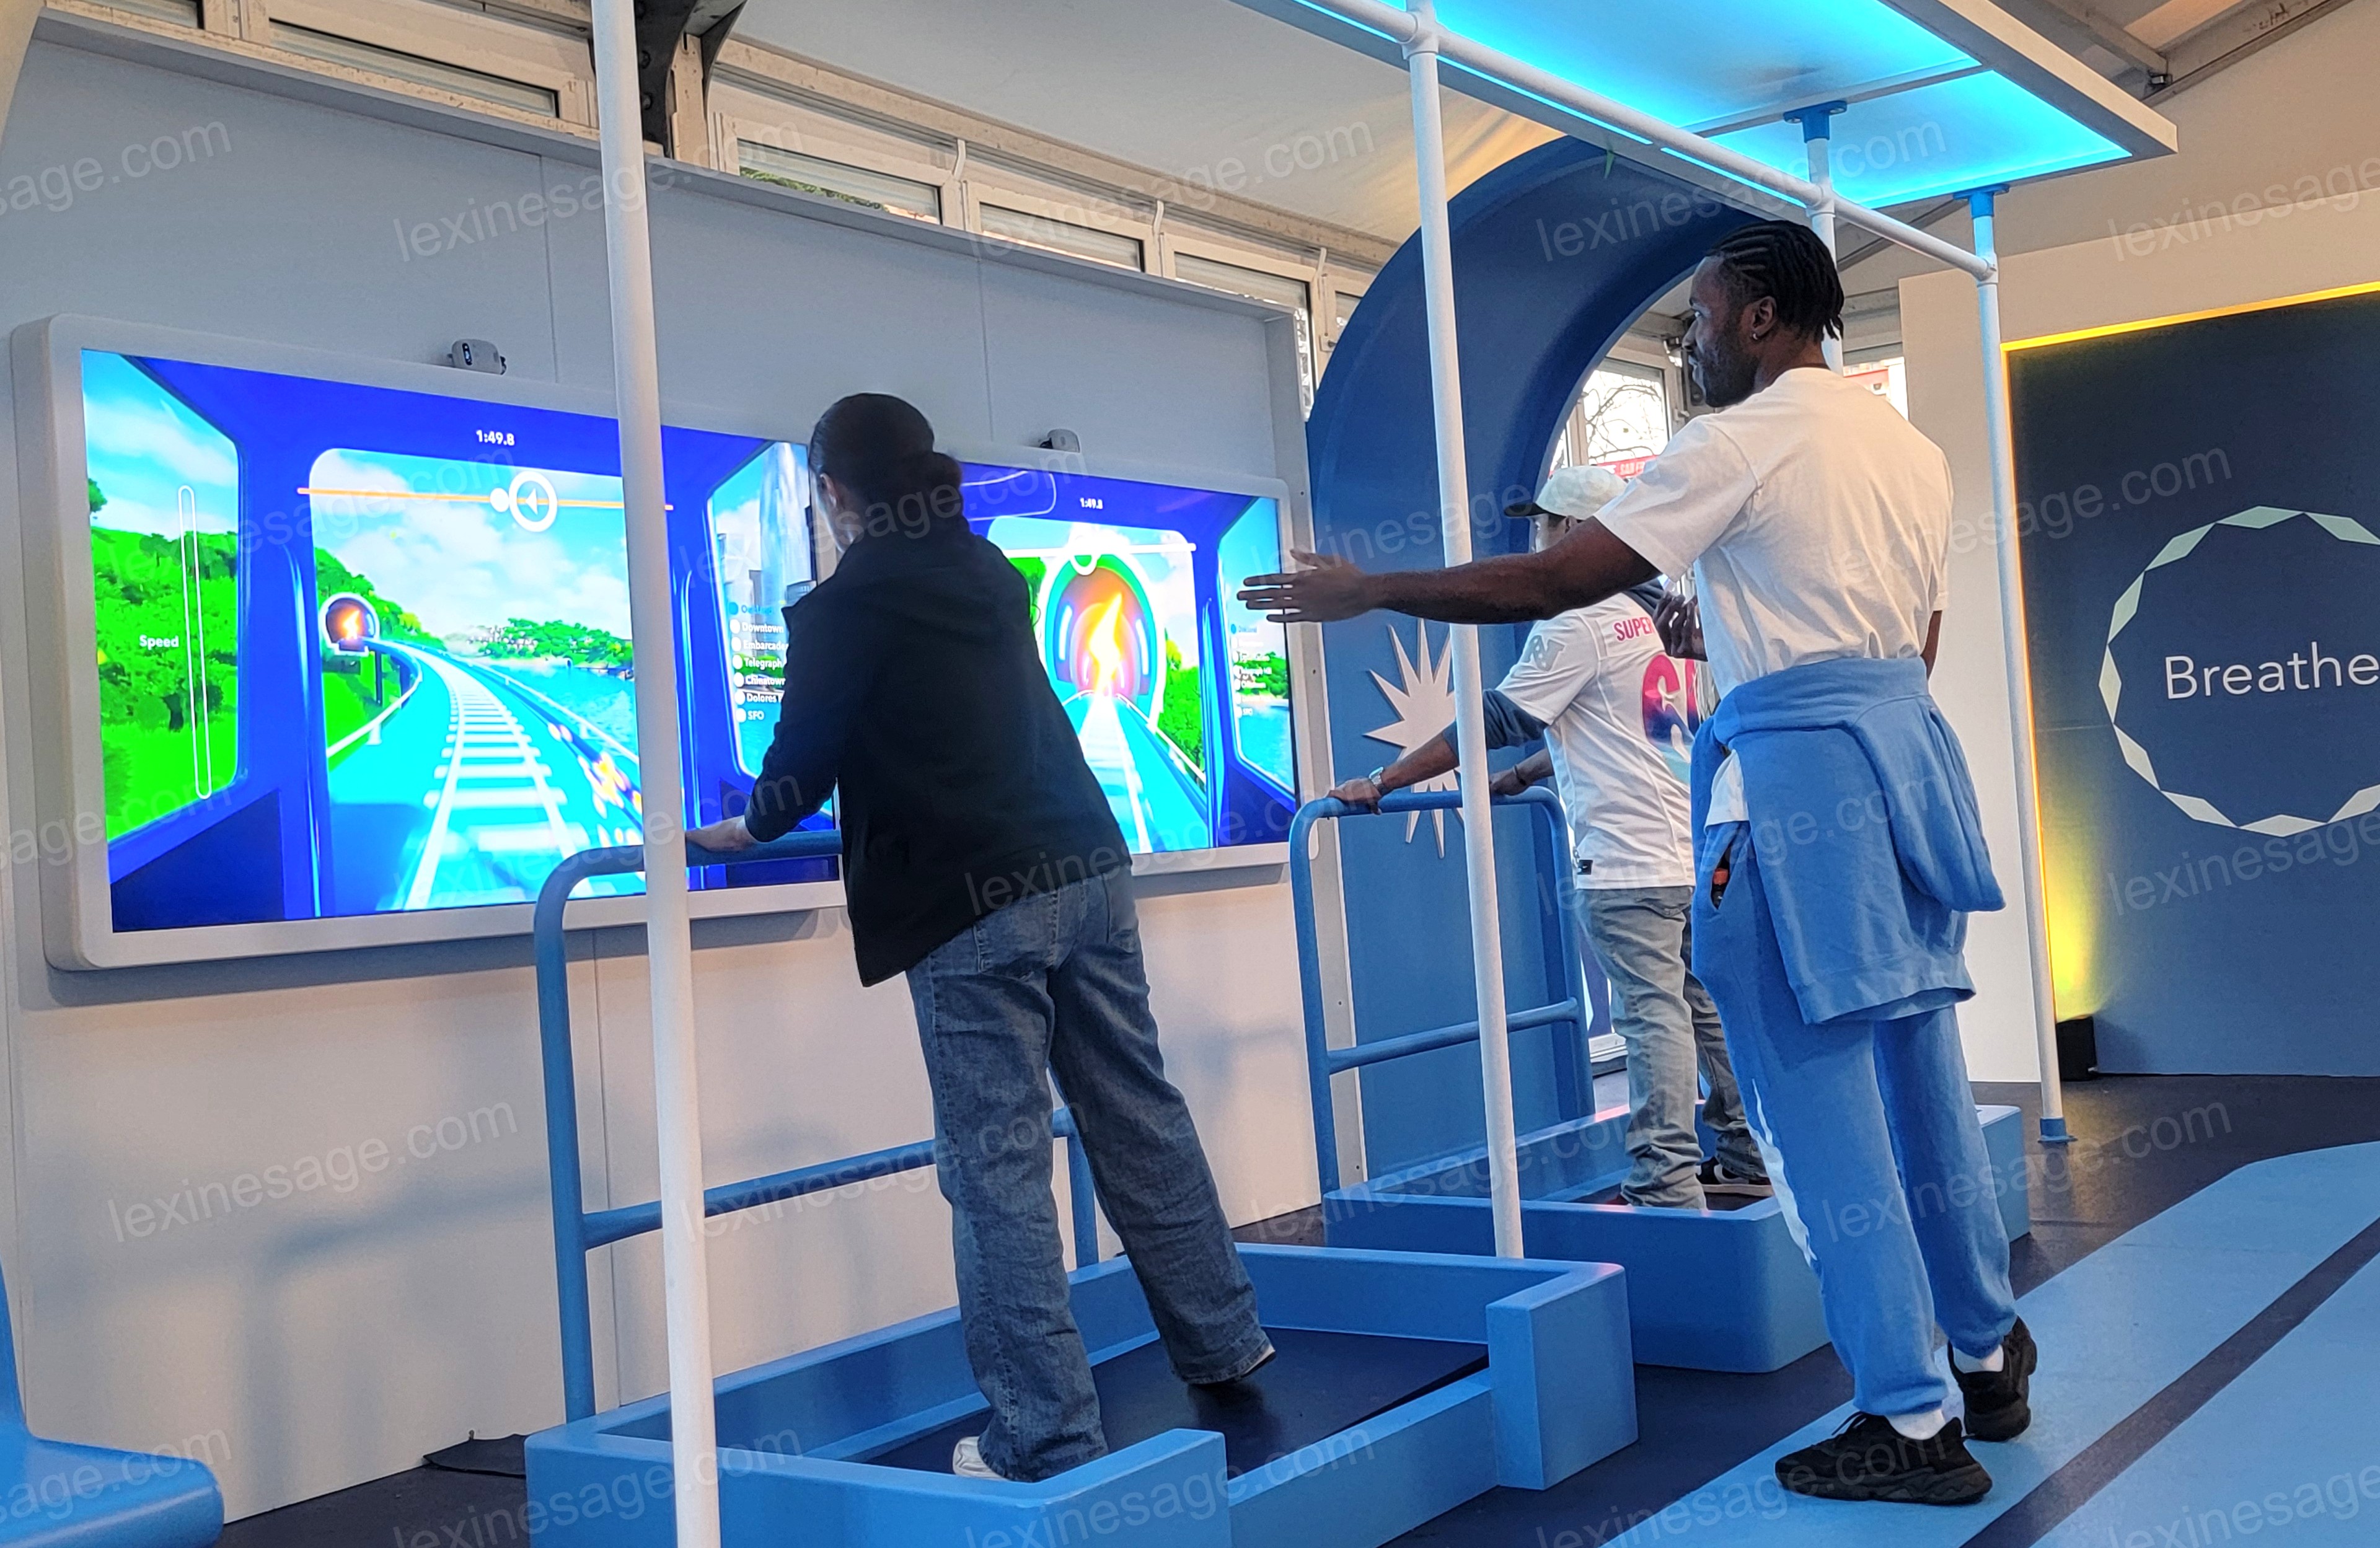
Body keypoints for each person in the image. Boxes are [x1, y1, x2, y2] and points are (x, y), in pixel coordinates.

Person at [1241, 221, 2034, 1508]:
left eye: (1705, 318)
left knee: (1817, 1120)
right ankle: (1987, 1355)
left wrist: (1376, 589)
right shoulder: (1909, 449)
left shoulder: (1737, 440)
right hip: (1905, 777)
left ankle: (1910, 1416)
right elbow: (1910, 639)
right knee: (1920, 1081)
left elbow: (1550, 580)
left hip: (1789, 801)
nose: (1697, 341)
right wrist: (1743, 638)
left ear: (1763, 317)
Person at [690, 394, 1272, 1484]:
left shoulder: (840, 608)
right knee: (1139, 1114)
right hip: (1085, 869)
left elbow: (797, 774)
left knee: (996, 1167)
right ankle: (1225, 1341)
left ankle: (1043, 1438)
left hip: (970, 906)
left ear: (832, 491)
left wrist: (742, 828)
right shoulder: (990, 572)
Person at [1326, 462, 1768, 1211]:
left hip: (1626, 861)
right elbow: (1628, 725)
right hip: (1692, 856)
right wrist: (1528, 774)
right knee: (1705, 1007)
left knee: (1651, 1016)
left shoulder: (1579, 622)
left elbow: (1501, 715)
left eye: (1546, 525)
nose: (1538, 539)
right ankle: (1746, 1152)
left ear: (1576, 532)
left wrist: (1385, 778)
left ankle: (1664, 1182)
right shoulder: (1667, 618)